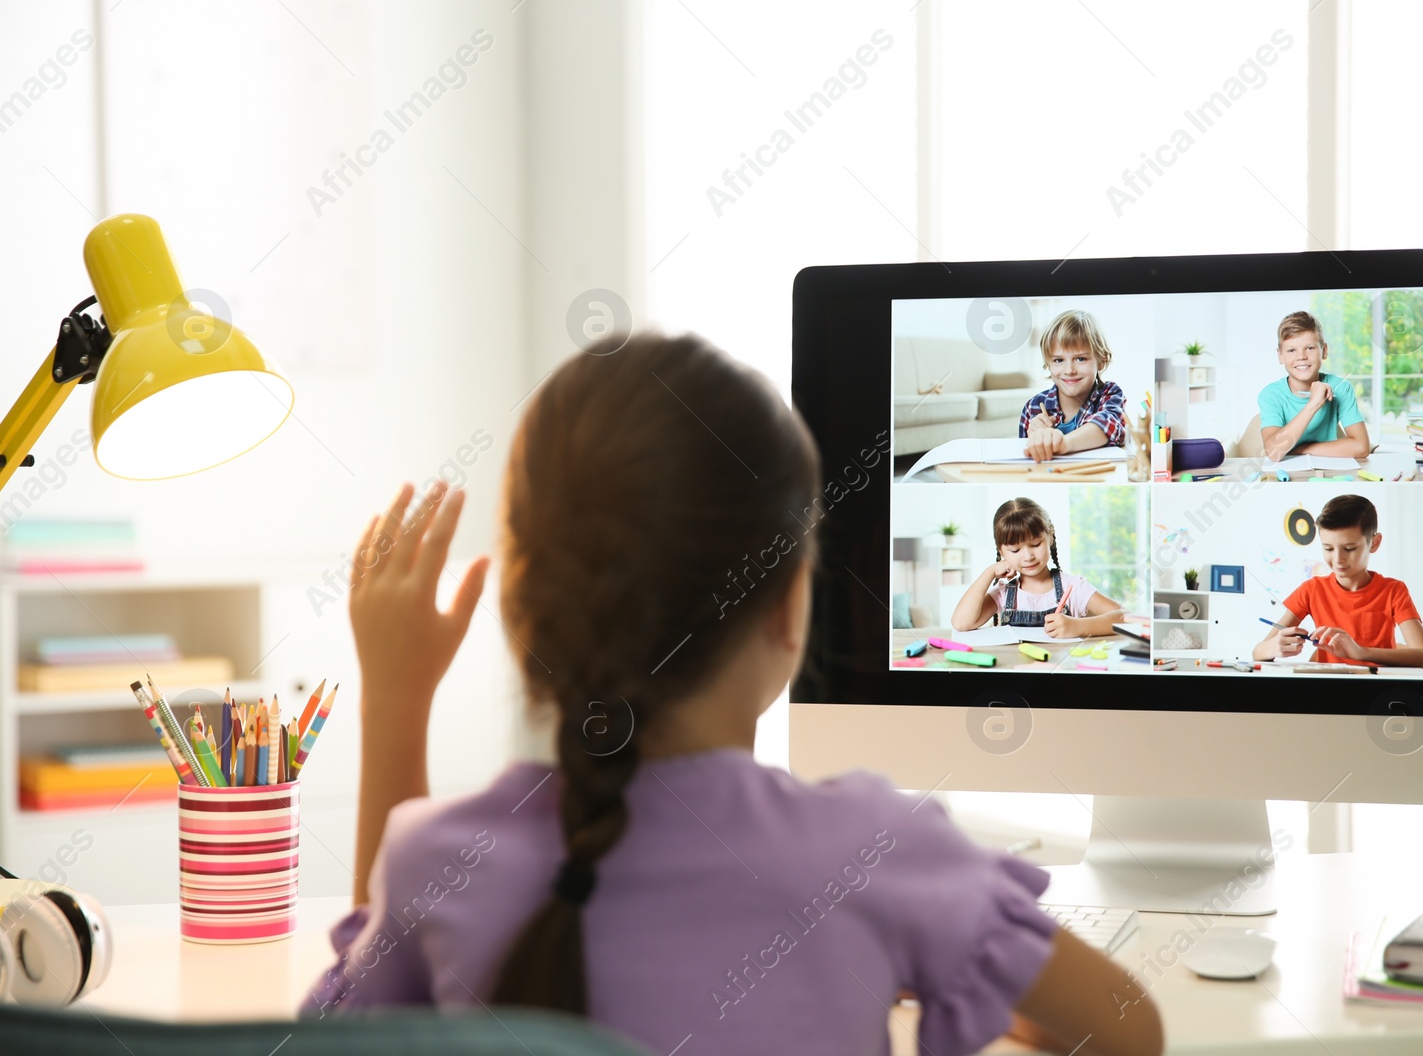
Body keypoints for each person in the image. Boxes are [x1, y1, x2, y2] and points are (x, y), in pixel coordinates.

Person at [301, 333, 1163, 1056]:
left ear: (524, 614)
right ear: (793, 607)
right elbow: (1132, 1029)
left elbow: (351, 1035)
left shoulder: (434, 860)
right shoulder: (875, 850)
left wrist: (396, 697)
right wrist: (957, 962)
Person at [1252, 494, 1423, 667]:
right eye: (1328, 548)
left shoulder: (1393, 590)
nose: (1337, 559)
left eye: (1349, 549)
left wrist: (1360, 652)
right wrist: (1274, 648)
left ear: (1374, 543)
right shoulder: (1311, 590)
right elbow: (1258, 652)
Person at [951, 497, 1126, 640]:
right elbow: (961, 623)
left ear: (1050, 537)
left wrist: (1078, 626)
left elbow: (1126, 618)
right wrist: (989, 572)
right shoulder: (1004, 593)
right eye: (1015, 550)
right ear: (1001, 551)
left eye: (1035, 544)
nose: (1028, 556)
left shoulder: (1073, 587)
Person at [1257, 310, 1370, 462]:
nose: (1301, 357)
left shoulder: (1341, 388)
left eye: (1310, 348)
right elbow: (1273, 452)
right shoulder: (1270, 395)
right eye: (1291, 350)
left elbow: (1361, 447)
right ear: (1280, 356)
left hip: (1330, 469)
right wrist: (1313, 404)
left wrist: (1303, 449)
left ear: (1324, 350)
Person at [1019, 310, 1127, 463]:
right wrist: (1036, 438)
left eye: (1080, 359)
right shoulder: (1033, 407)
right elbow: (1026, 460)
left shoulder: (1109, 394)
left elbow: (1108, 424)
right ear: (1048, 364)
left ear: (1101, 361)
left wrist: (1062, 443)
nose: (1069, 370)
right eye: (1058, 360)